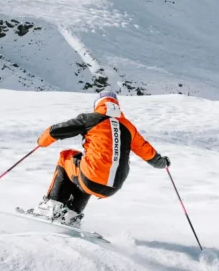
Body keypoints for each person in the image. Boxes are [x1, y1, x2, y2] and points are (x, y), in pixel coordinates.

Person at [29, 91, 170, 227]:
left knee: (66, 156)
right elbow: (148, 152)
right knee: (86, 165)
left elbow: (56, 131)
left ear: (98, 105)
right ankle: (72, 214)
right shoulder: (129, 127)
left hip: (91, 178)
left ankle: (52, 206)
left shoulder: (91, 119)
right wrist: (162, 162)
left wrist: (42, 142)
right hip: (113, 186)